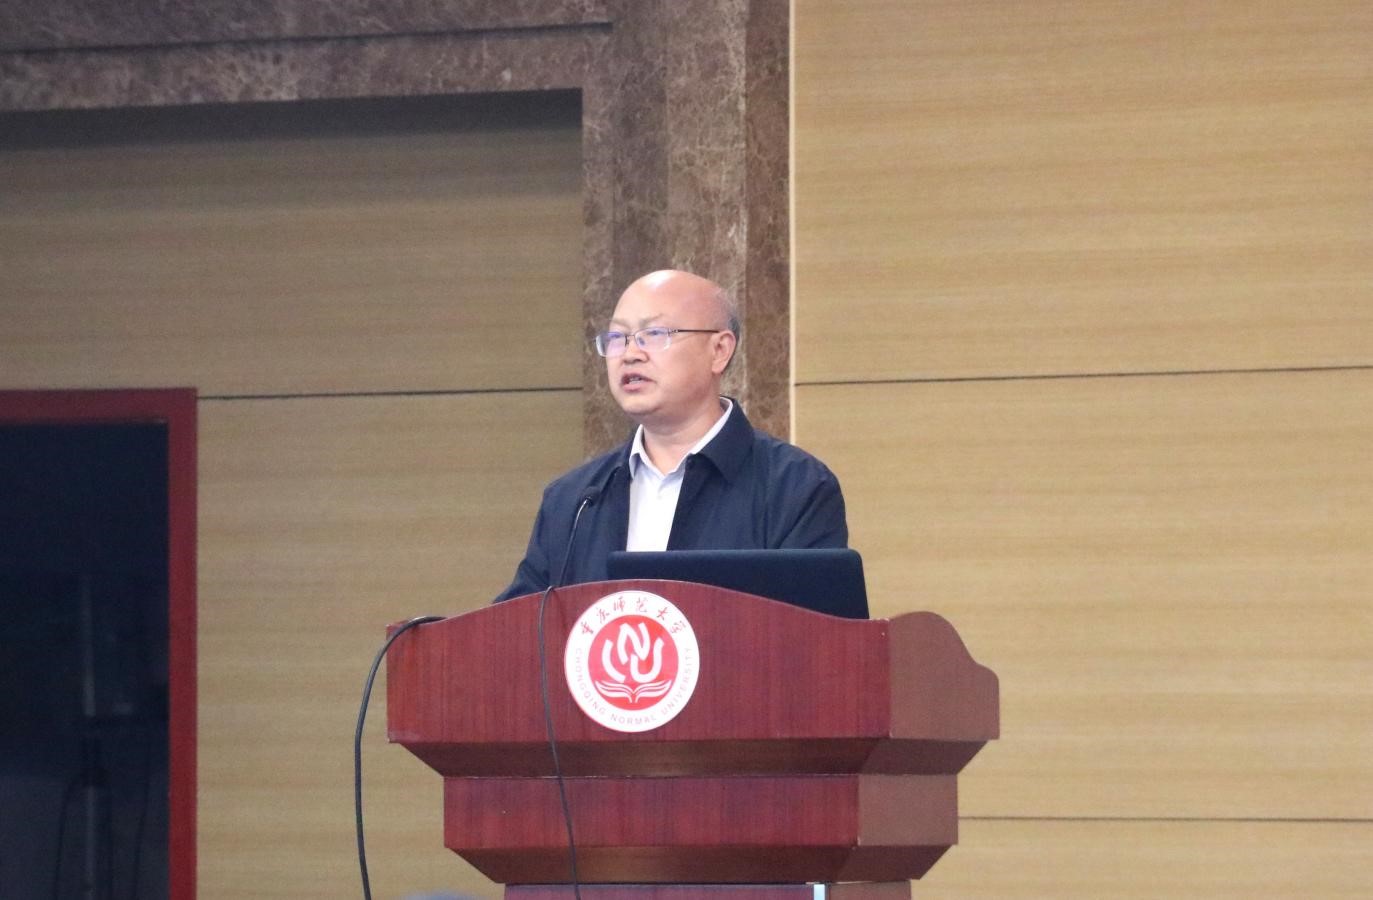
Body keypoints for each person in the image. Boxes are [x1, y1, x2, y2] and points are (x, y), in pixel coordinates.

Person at [494, 269, 847, 602]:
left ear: (719, 351)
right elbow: (518, 627)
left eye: (653, 335)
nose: (630, 354)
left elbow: (815, 634)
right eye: (617, 338)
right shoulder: (573, 500)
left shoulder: (795, 487)